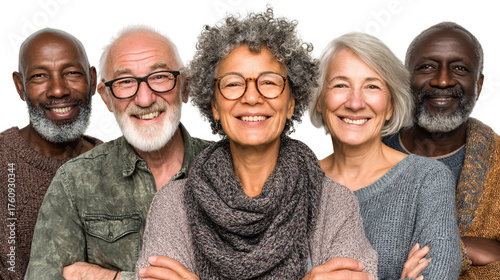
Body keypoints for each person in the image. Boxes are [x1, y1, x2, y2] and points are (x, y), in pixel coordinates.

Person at [136, 8, 377, 280]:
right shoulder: (173, 204)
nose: (251, 97)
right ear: (214, 105)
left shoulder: (333, 202)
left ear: (291, 104)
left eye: (270, 82)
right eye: (234, 83)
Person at [24, 26, 211, 280]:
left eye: (159, 77)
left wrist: (105, 277)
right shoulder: (75, 181)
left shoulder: (232, 168)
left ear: (185, 87)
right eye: (125, 82)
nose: (144, 99)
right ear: (107, 98)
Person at [310, 32, 462, 279]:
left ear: (390, 105)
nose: (355, 103)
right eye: (340, 85)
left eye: (372, 86)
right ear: (319, 100)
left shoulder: (428, 181)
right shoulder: (294, 182)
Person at [382, 22, 500, 278]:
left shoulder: (497, 163)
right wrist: (459, 248)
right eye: (427, 67)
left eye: (459, 68)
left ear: (478, 85)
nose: (443, 80)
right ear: (406, 79)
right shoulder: (366, 147)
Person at [0, 28, 102, 280]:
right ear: (20, 86)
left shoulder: (116, 163)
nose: (58, 90)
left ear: (91, 79)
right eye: (39, 76)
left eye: (71, 73)